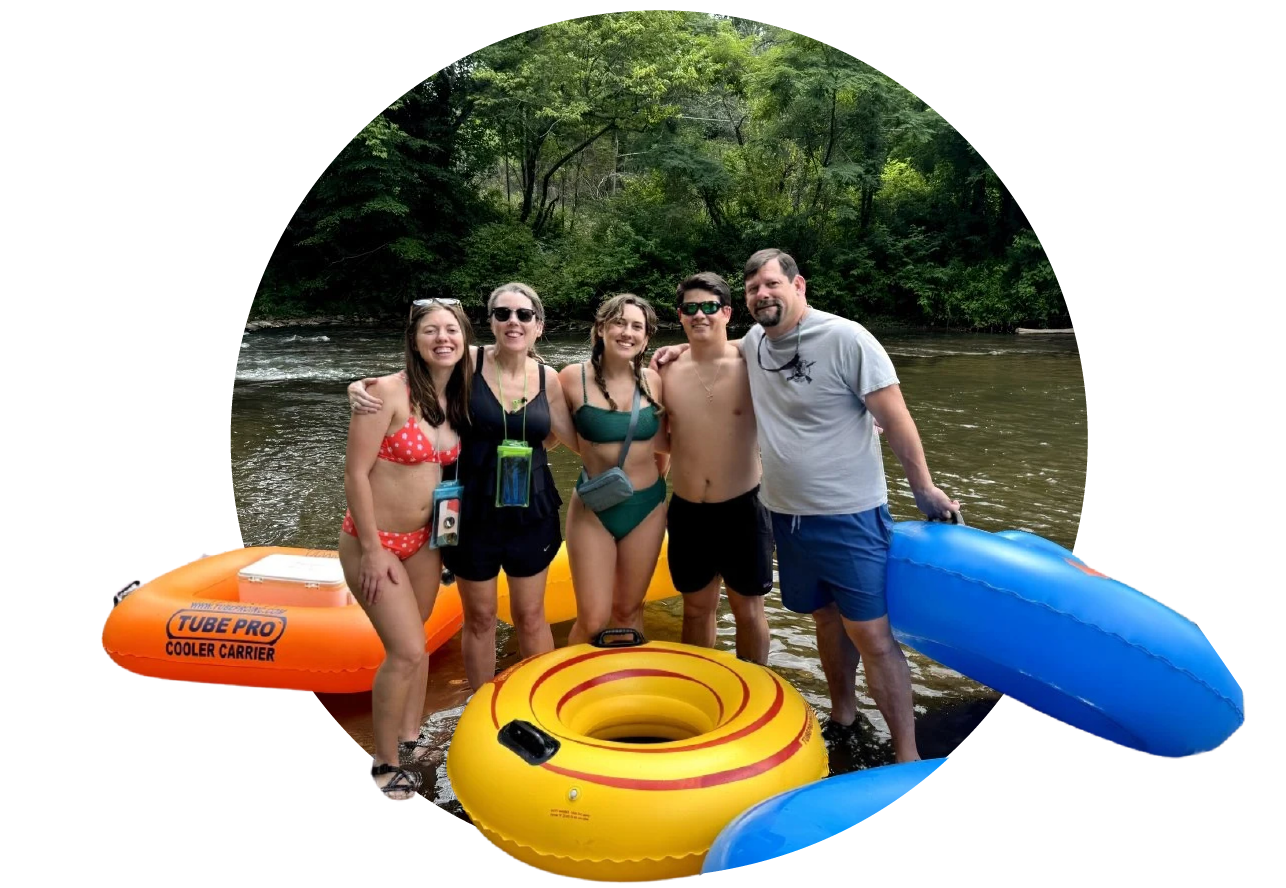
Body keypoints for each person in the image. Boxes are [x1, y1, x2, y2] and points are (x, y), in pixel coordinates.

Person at [652, 249, 960, 763]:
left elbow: (897, 417)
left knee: (873, 636)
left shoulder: (847, 337)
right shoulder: (754, 343)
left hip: (849, 514)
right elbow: (709, 345)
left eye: (771, 284)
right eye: (752, 289)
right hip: (786, 515)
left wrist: (923, 488)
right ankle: (842, 716)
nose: (761, 295)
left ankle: (908, 755)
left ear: (799, 286)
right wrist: (669, 350)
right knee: (823, 620)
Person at [347, 283, 578, 692]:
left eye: (524, 315)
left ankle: (537, 705)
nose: (513, 322)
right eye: (503, 313)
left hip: (532, 511)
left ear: (538, 326)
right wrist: (360, 386)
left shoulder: (549, 378)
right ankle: (481, 705)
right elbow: (411, 375)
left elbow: (567, 437)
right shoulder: (464, 363)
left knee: (530, 615)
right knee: (482, 617)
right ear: (489, 322)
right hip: (470, 512)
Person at [339, 297, 473, 799]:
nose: (443, 338)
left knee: (419, 651)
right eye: (430, 331)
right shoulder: (383, 394)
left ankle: (411, 738)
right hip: (373, 541)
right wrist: (373, 550)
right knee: (407, 651)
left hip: (427, 541)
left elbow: (517, 353)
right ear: (413, 341)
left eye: (451, 331)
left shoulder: (457, 388)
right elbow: (355, 474)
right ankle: (383, 764)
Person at [656, 272, 772, 664]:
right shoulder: (665, 371)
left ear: (726, 312)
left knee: (748, 611)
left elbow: (799, 352)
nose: (699, 315)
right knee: (696, 610)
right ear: (680, 315)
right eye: (690, 308)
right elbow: (658, 439)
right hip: (688, 509)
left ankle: (756, 694)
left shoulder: (753, 361)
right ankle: (700, 685)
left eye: (709, 307)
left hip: (742, 506)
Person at [558, 293, 669, 645]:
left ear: (647, 338)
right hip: (594, 507)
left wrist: (654, 487)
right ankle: (572, 692)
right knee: (592, 618)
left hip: (647, 506)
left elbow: (663, 446)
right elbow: (554, 432)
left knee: (629, 612)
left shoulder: (655, 380)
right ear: (601, 328)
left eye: (637, 326)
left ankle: (629, 691)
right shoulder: (570, 378)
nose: (627, 332)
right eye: (619, 322)